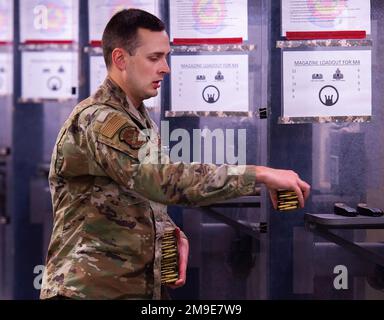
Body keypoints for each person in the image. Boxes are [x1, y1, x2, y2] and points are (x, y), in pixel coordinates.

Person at [40, 8, 310, 300]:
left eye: (165, 57)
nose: (165, 68)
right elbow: (160, 179)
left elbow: (132, 192)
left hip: (133, 289)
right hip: (88, 291)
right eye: (154, 58)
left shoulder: (138, 120)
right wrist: (259, 174)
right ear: (120, 59)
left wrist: (165, 232)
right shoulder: (102, 120)